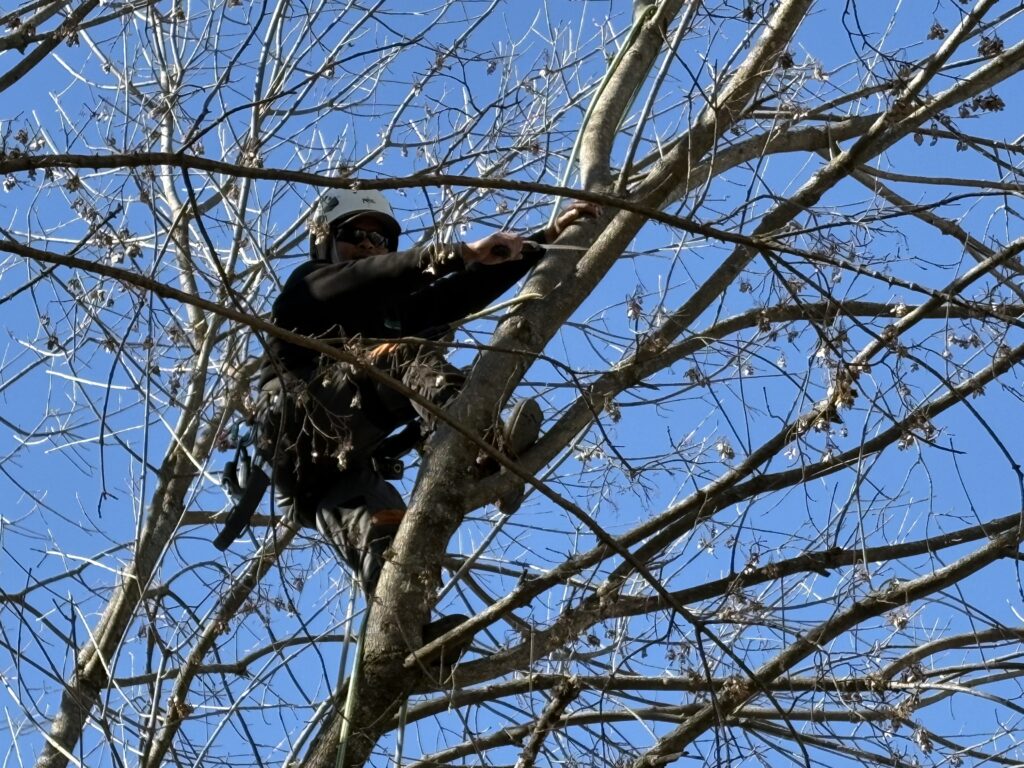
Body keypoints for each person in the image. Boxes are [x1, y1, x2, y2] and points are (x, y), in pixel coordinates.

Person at [256, 188, 597, 608]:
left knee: (395, 541)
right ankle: (475, 442)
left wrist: (543, 239)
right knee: (407, 354)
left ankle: (407, 634)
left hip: (338, 473)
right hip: (297, 434)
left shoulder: (391, 316)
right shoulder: (309, 287)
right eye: (353, 234)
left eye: (378, 239)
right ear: (325, 241)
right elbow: (372, 278)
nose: (367, 244)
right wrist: (458, 253)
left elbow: (455, 295)